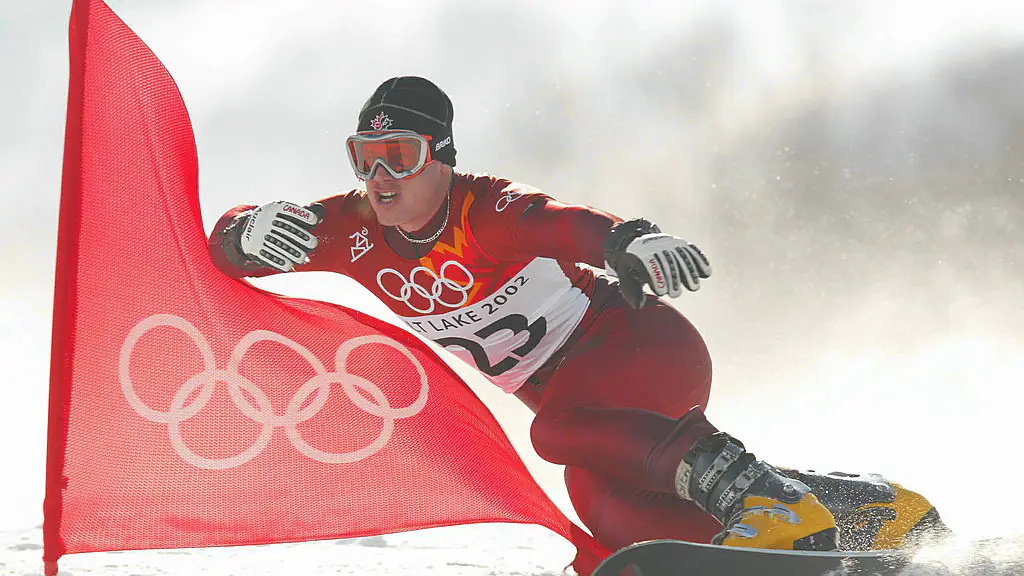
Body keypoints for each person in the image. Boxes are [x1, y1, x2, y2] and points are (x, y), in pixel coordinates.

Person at [208, 76, 947, 560]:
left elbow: (566, 223)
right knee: (615, 522)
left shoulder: (484, 207)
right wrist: (245, 230)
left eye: (399, 155)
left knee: (555, 432)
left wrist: (631, 238)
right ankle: (861, 516)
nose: (379, 178)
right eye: (363, 157)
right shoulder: (351, 227)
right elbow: (223, 250)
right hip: (593, 408)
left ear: (443, 157)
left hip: (637, 350)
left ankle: (775, 503)